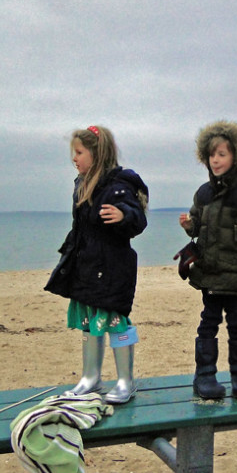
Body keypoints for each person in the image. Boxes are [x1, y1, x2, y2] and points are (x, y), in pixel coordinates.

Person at [45, 125, 149, 404]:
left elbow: (138, 219)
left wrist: (124, 215)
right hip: (87, 267)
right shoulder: (81, 184)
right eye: (73, 153)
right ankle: (90, 377)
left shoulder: (117, 186)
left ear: (97, 153)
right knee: (89, 323)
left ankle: (125, 380)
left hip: (112, 269)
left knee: (116, 323)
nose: (74, 158)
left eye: (79, 152)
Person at [178, 120, 237, 400]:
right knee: (208, 323)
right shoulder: (203, 193)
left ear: (236, 156)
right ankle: (205, 377)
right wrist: (189, 226)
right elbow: (198, 228)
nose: (216, 160)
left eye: (222, 154)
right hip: (209, 274)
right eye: (212, 155)